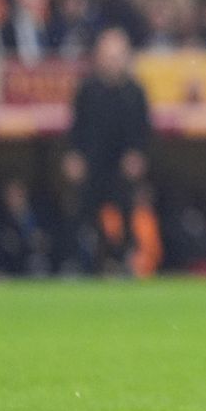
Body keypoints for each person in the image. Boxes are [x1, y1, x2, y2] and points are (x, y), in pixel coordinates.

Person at [61, 27, 160, 276]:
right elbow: (76, 129)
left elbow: (144, 132)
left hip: (122, 169)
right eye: (108, 56)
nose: (113, 62)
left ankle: (124, 259)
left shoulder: (135, 92)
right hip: (93, 166)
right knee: (84, 214)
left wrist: (138, 155)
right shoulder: (87, 90)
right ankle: (84, 262)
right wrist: (74, 156)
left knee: (127, 212)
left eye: (118, 56)